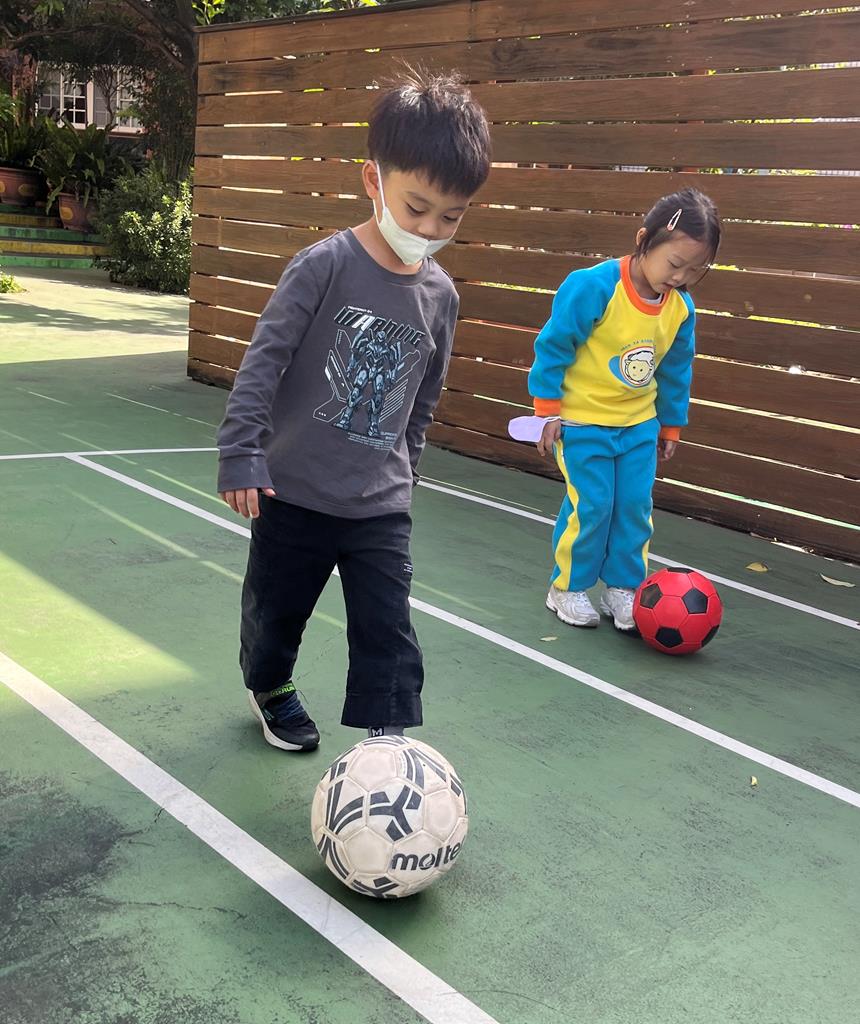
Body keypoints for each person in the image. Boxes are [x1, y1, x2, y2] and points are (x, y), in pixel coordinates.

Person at [215, 69, 491, 752]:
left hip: (378, 501)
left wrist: (407, 470)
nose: (429, 228)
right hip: (293, 490)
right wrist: (241, 451)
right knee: (276, 611)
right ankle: (269, 685)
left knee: (387, 623)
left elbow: (424, 395)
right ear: (374, 180)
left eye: (450, 217)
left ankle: (386, 736)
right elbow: (264, 360)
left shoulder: (441, 297)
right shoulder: (324, 266)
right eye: (416, 207)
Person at [529, 189, 721, 632]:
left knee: (634, 506)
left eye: (695, 270)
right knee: (593, 505)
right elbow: (554, 347)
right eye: (675, 264)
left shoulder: (680, 309)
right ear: (643, 240)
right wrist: (547, 410)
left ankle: (624, 588)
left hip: (638, 426)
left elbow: (676, 370)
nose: (680, 277)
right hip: (582, 423)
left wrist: (670, 426)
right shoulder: (593, 287)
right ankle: (567, 587)